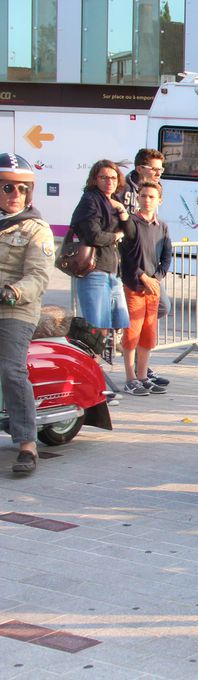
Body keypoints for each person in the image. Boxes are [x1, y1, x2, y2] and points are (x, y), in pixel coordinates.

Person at [0, 154, 55, 474]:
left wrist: (12, 292)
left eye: (22, 188)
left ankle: (26, 443)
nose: (15, 194)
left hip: (15, 310)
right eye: (8, 187)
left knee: (11, 369)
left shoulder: (36, 229)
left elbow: (38, 276)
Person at [119, 181, 172, 396]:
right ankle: (130, 377)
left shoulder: (162, 226)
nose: (146, 200)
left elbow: (166, 256)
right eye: (143, 195)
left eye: (151, 196)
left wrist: (156, 278)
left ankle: (143, 376)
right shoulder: (131, 222)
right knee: (132, 332)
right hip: (134, 284)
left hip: (153, 285)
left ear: (159, 200)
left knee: (148, 334)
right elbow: (127, 256)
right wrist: (142, 276)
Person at [70, 160, 131, 338]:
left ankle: (100, 363)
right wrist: (115, 236)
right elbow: (93, 236)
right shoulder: (90, 200)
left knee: (114, 324)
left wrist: (122, 211)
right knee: (96, 328)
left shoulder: (114, 201)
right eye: (103, 177)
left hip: (113, 270)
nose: (109, 181)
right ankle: (93, 364)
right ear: (95, 179)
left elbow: (131, 233)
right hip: (94, 270)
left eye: (113, 177)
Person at [117, 148, 165, 214]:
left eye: (160, 170)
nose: (159, 174)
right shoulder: (121, 188)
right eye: (154, 169)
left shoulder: (157, 190)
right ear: (139, 169)